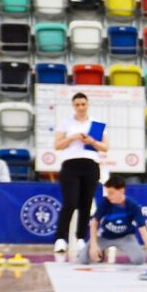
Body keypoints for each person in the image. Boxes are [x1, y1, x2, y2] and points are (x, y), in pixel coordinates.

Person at [53, 93, 109, 255]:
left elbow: (105, 147)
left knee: (86, 204)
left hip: (90, 164)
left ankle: (80, 238)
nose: (80, 107)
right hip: (70, 165)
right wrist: (72, 137)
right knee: (70, 202)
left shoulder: (96, 124)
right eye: (77, 105)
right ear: (73, 106)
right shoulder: (66, 123)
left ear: (87, 105)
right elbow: (57, 145)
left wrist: (92, 142)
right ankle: (61, 239)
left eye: (83, 104)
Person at [77, 175, 147, 266]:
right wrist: (94, 245)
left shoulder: (133, 206)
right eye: (107, 193)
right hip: (105, 236)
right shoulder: (105, 202)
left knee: (139, 259)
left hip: (125, 237)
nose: (109, 196)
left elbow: (144, 231)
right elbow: (94, 223)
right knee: (83, 259)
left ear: (121, 190)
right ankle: (98, 252)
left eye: (111, 193)